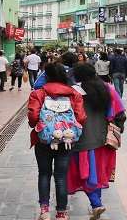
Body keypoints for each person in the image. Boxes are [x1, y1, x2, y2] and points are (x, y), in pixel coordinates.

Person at [27, 63, 86, 220]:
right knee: (61, 176)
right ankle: (61, 213)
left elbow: (33, 117)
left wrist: (40, 126)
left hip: (43, 140)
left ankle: (44, 211)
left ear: (46, 76)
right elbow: (81, 118)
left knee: (44, 173)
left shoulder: (38, 93)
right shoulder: (74, 94)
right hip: (66, 140)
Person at [67, 63, 126, 220]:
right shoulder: (106, 88)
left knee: (83, 173)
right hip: (103, 139)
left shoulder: (73, 92)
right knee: (98, 173)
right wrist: (118, 128)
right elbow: (120, 111)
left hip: (81, 140)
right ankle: (96, 204)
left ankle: (96, 204)